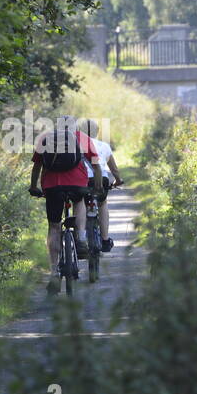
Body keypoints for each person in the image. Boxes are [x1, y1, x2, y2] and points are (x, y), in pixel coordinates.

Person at [30, 115, 102, 293]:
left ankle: (54, 273)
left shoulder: (45, 138)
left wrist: (33, 187)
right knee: (79, 202)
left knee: (54, 226)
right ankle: (82, 238)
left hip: (52, 187)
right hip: (77, 184)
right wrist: (98, 187)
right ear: (74, 127)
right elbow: (96, 165)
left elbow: (37, 166)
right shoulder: (82, 138)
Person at [77, 118, 123, 251]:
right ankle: (105, 240)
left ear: (80, 131)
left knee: (79, 202)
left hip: (82, 179)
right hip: (100, 179)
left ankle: (80, 237)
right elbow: (114, 169)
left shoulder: (77, 144)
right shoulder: (104, 146)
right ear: (97, 131)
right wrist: (118, 180)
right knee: (102, 204)